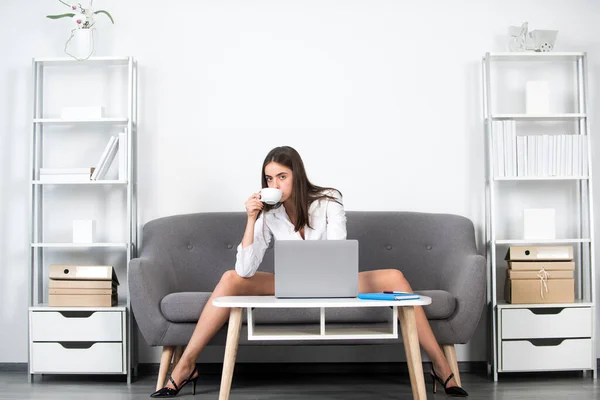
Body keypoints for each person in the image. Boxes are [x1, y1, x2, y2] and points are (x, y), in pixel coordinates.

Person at [150, 146, 468, 398]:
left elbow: (337, 252)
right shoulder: (268, 214)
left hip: (333, 281)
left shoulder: (329, 201)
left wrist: (322, 269)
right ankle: (186, 366)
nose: (274, 185)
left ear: (297, 175)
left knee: (396, 276)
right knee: (230, 279)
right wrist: (250, 219)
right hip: (290, 283)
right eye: (269, 179)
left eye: (281, 177)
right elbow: (245, 270)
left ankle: (441, 368)